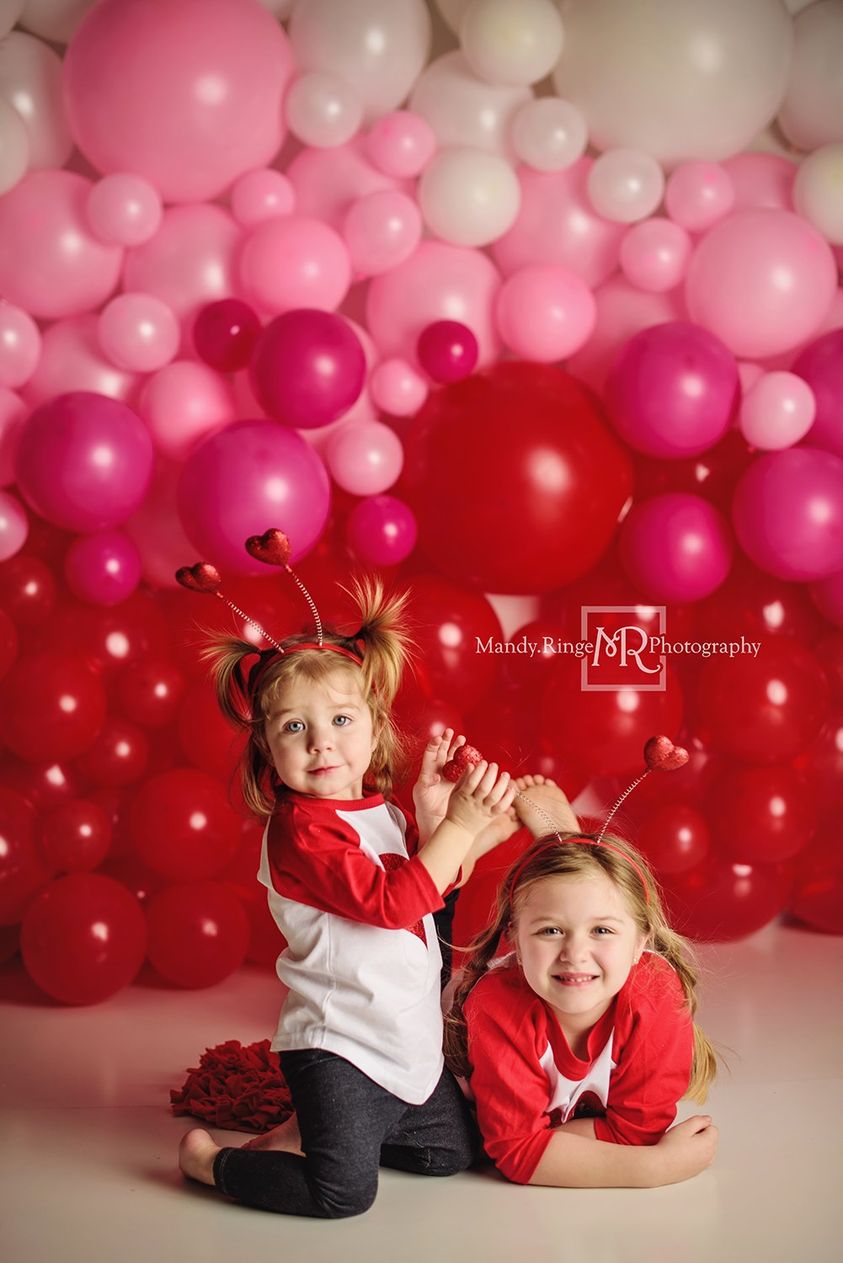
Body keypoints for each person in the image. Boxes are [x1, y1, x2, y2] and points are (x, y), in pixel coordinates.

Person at [177, 576, 517, 1217]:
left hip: (402, 1036)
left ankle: (321, 1133)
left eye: (339, 719)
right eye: (293, 727)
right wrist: (464, 830)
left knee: (453, 1153)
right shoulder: (302, 831)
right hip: (342, 1047)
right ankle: (214, 1163)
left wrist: (431, 816)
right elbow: (392, 903)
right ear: (266, 751)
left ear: (374, 728)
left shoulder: (376, 809)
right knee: (341, 1195)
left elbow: (426, 901)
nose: (320, 741)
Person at [444, 776, 719, 1189]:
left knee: (577, 897)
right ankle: (515, 842)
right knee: (447, 1147)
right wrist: (658, 1167)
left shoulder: (654, 989)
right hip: (434, 1044)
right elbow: (516, 1154)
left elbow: (636, 1133)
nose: (575, 953)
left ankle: (567, 844)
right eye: (550, 931)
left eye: (602, 931)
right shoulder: (496, 1003)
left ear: (642, 943)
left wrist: (541, 1146)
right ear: (514, 938)